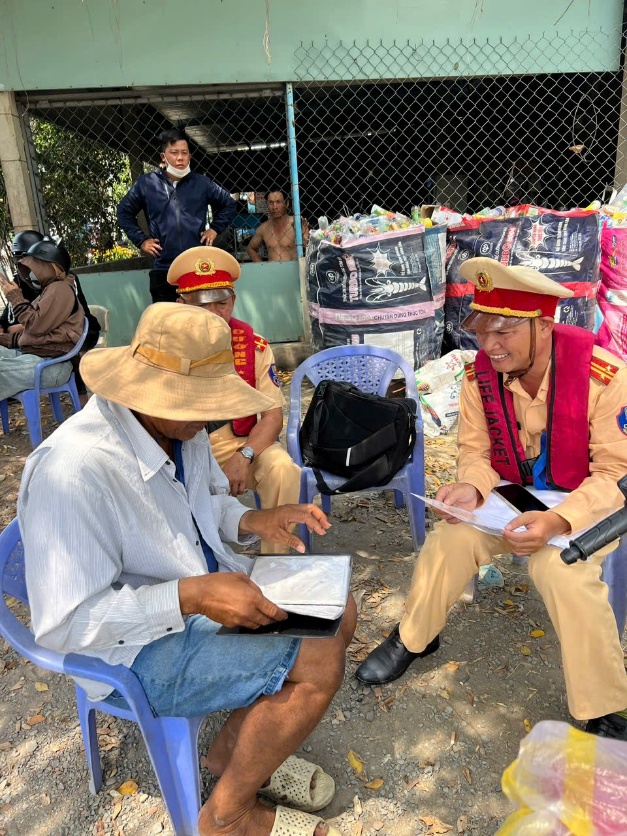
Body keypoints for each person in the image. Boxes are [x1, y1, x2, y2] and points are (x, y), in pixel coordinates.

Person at [19, 302, 355, 836]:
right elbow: (64, 625)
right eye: (201, 402)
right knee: (319, 655)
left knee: (340, 607)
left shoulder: (180, 428)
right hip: (130, 648)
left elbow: (206, 506)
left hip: (196, 594)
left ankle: (229, 755)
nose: (211, 418)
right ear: (150, 391)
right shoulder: (75, 471)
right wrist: (190, 596)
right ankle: (227, 816)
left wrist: (254, 519)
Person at [356, 256, 627, 740]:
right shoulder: (478, 377)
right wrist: (471, 486)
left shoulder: (604, 377)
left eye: (504, 332)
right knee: (450, 538)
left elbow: (615, 474)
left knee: (560, 570)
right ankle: (414, 637)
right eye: (482, 331)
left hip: (582, 506)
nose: (490, 345)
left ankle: (605, 705)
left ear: (543, 326)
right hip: (512, 498)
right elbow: (476, 452)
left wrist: (558, 521)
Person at [168, 246, 302, 553]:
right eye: (202, 305)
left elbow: (272, 417)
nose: (215, 314)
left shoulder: (254, 347)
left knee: (282, 468)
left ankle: (275, 559)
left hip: (239, 443)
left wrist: (245, 455)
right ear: (181, 305)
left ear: (234, 301)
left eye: (222, 303)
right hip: (182, 444)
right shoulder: (166, 349)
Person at [117, 127, 236, 304]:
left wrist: (214, 229)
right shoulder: (147, 184)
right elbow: (123, 212)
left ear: (190, 156)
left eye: (184, 153)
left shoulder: (201, 183)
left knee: (197, 317)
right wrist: (141, 240)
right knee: (166, 319)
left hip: (196, 268)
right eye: (174, 153)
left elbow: (229, 204)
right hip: (163, 269)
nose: (180, 158)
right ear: (163, 156)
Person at [0, 238, 85, 402]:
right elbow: (42, 334)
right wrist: (7, 339)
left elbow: (34, 326)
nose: (30, 273)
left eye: (34, 266)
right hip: (43, 360)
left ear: (53, 267)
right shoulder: (52, 289)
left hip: (52, 366)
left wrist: (15, 297)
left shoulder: (60, 289)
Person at [247, 187, 309, 262]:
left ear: (287, 203)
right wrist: (261, 266)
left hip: (293, 268)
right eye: (271, 202)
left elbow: (309, 248)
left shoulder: (297, 223)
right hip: (272, 268)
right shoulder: (263, 228)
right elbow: (250, 249)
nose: (274, 207)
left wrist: (303, 237)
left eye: (278, 202)